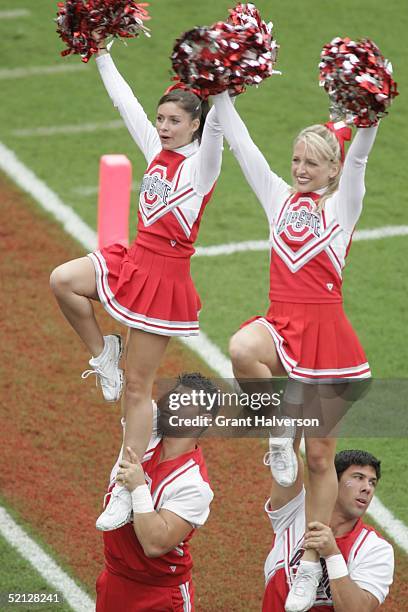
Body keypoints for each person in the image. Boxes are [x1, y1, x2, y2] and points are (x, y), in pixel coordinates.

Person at [211, 88, 378, 611]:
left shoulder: (343, 207)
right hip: (282, 326)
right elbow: (241, 145)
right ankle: (280, 430)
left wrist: (370, 115)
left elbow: (362, 156)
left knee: (322, 456)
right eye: (296, 160)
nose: (301, 169)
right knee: (242, 348)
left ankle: (308, 565)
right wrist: (220, 91)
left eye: (313, 163)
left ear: (333, 170)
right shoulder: (278, 197)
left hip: (328, 342)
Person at [49, 38, 224, 530]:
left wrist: (222, 88)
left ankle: (128, 483)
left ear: (196, 125)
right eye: (161, 119)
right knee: (63, 280)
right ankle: (102, 352)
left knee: (138, 390)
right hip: (132, 261)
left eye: (174, 121)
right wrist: (100, 50)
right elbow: (123, 102)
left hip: (164, 278)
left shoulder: (203, 166)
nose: (164, 128)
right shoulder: (155, 150)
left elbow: (218, 135)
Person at [95, 372, 219, 612]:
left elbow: (155, 544)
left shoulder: (194, 485)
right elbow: (135, 390)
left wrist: (139, 488)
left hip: (158, 596)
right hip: (114, 578)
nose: (169, 405)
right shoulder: (147, 432)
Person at [262, 446, 394, 611]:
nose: (367, 488)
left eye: (372, 482)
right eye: (358, 477)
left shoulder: (375, 548)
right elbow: (289, 455)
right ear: (333, 481)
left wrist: (332, 554)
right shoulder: (295, 513)